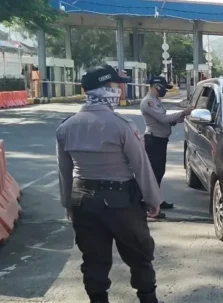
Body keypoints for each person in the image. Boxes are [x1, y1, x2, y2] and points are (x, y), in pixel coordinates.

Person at [56, 65, 164, 303]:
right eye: (116, 86)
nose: (120, 90)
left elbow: (65, 172)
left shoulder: (66, 127)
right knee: (140, 256)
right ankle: (148, 299)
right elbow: (141, 167)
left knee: (93, 259)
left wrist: (68, 204)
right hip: (122, 203)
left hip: (83, 201)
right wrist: (153, 200)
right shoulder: (122, 125)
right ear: (104, 89)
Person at [140, 76, 193, 218]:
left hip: (160, 140)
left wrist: (176, 120)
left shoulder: (156, 101)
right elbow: (163, 118)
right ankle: (149, 204)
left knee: (159, 172)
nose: (165, 90)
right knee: (154, 174)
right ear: (156, 86)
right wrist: (183, 112)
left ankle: (157, 200)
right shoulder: (148, 102)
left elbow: (163, 120)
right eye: (163, 87)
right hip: (153, 141)